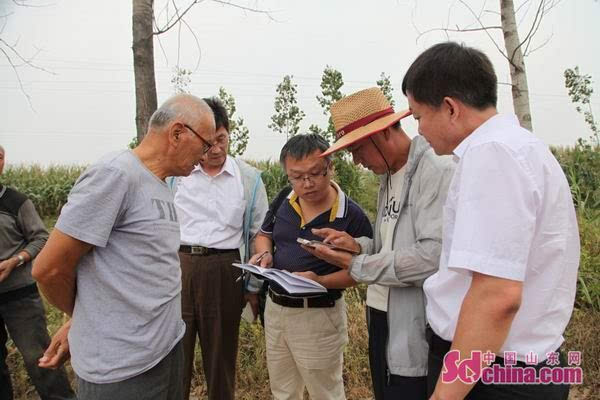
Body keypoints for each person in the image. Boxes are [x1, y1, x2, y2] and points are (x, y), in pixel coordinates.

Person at [401, 42, 580, 399]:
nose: (418, 130)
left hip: (491, 375)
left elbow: (496, 295)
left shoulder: (492, 155)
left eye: (418, 116)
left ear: (450, 108)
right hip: (514, 366)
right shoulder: (522, 147)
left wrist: (445, 395)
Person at [31, 94, 216, 400]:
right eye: (205, 144)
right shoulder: (115, 175)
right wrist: (84, 318)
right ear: (178, 133)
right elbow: (49, 269)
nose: (207, 154)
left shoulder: (159, 183)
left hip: (164, 352)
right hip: (123, 369)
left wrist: (77, 321)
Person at [296, 87, 455, 399]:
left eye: (357, 150)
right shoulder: (388, 176)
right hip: (382, 314)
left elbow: (432, 255)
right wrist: (356, 246)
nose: (356, 162)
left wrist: (356, 264)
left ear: (382, 134)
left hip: (415, 325)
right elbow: (390, 246)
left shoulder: (435, 170)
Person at [248, 134, 373, 400]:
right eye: (297, 176)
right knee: (282, 390)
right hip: (277, 310)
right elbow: (264, 234)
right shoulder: (285, 198)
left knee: (325, 392)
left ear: (331, 166)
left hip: (318, 315)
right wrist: (265, 255)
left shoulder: (352, 216)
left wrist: (320, 281)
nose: (307, 183)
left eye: (316, 173)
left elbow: (363, 272)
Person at [170, 96, 268, 400]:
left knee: (221, 358)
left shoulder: (248, 179)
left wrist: (252, 286)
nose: (215, 149)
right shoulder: (176, 176)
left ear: (229, 134)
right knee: (174, 356)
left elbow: (258, 234)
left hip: (226, 271)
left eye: (221, 140)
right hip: (178, 270)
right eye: (208, 143)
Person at [0, 145, 76, 400]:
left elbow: (41, 238)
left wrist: (16, 260)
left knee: (38, 356)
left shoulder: (15, 202)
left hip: (19, 293)